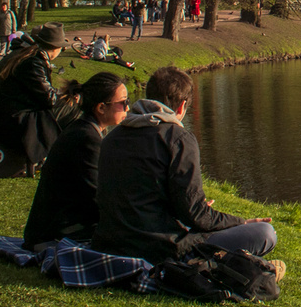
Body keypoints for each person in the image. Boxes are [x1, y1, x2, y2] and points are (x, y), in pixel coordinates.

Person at [94, 66, 278, 264]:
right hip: (160, 248)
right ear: (182, 107)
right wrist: (240, 222)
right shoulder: (178, 138)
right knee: (265, 233)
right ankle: (235, 267)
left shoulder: (111, 138)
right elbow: (196, 215)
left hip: (111, 244)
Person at [22, 70, 130, 251]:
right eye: (123, 102)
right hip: (55, 235)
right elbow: (96, 195)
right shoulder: (86, 139)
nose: (127, 108)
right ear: (101, 108)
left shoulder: (83, 129)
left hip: (53, 229)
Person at [0, 25, 67, 164]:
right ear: (55, 47)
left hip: (4, 115)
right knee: (72, 110)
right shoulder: (33, 62)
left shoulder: (26, 55)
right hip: (12, 120)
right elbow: (49, 98)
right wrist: (68, 95)